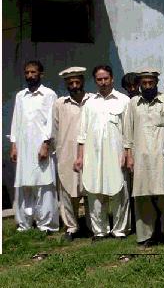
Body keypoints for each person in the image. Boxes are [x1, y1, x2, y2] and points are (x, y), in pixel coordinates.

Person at [123, 69, 164, 248]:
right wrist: (129, 155)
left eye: (151, 83)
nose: (147, 86)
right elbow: (128, 131)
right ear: (139, 85)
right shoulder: (133, 103)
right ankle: (145, 236)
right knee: (142, 196)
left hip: (162, 156)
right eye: (144, 83)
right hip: (140, 156)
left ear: (156, 83)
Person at [74, 65, 131, 239]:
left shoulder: (123, 100)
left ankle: (120, 230)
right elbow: (82, 134)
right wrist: (80, 157)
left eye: (106, 78)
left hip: (117, 154)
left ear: (112, 78)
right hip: (93, 155)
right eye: (99, 79)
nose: (103, 82)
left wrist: (127, 153)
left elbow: (128, 132)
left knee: (120, 191)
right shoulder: (90, 103)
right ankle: (100, 231)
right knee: (94, 191)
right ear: (95, 81)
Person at [10, 60, 59, 233]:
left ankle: (46, 224)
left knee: (44, 185)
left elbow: (52, 121)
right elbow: (16, 121)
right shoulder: (20, 96)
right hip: (24, 147)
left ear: (41, 74)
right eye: (27, 72)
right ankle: (24, 223)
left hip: (41, 147)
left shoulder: (49, 94)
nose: (30, 75)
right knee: (24, 185)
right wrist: (14, 144)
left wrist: (46, 143)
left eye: (33, 72)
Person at [52, 66, 92, 240]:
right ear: (66, 85)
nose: (74, 86)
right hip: (67, 153)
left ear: (82, 81)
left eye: (77, 82)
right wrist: (58, 151)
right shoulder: (60, 104)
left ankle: (93, 226)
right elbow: (54, 130)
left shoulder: (93, 100)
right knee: (67, 190)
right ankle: (71, 227)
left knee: (90, 190)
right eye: (71, 83)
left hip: (90, 152)